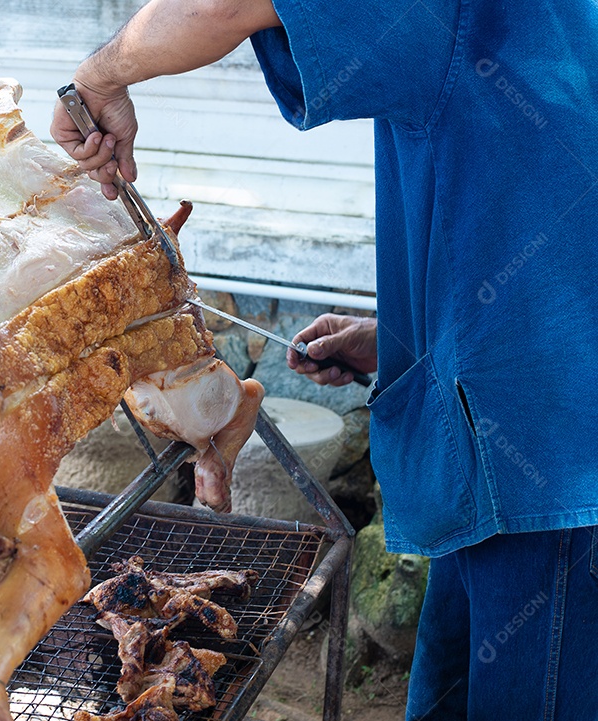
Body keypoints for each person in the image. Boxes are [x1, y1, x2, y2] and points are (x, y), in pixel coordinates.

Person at [51, 1, 598, 718]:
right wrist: (393, 338)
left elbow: (223, 6)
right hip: (509, 457)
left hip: (550, 468)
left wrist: (98, 79)